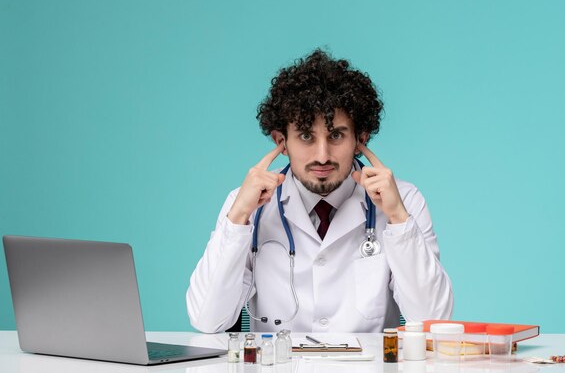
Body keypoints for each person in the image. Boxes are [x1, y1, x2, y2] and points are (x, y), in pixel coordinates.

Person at [186, 49, 453, 333]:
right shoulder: (248, 205)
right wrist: (238, 217)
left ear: (360, 139)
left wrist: (399, 220)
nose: (323, 156)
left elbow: (432, 321)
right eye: (305, 136)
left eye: (336, 135)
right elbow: (207, 320)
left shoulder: (404, 201)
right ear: (281, 142)